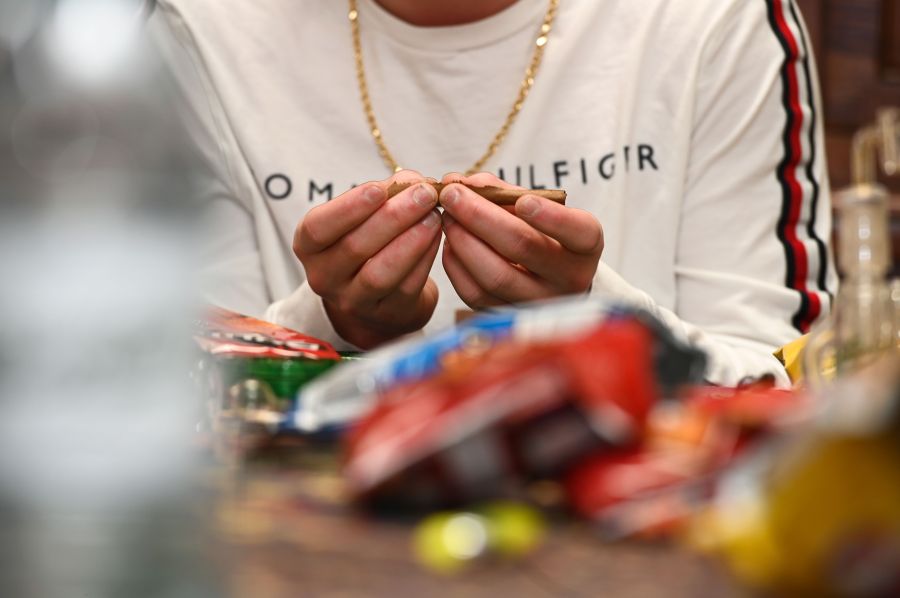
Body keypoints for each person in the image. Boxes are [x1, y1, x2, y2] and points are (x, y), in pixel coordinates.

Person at [151, 0, 836, 386]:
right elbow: (178, 399)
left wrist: (598, 319)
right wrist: (334, 321)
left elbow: (796, 397)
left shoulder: (715, 18)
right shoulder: (202, 29)